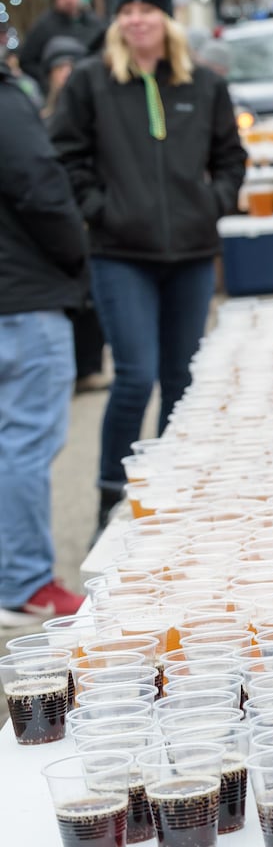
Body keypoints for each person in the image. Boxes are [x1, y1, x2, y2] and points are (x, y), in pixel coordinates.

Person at [48, 0, 245, 534]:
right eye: (127, 11)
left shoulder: (204, 85)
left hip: (189, 252)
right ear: (116, 20)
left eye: (147, 10)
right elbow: (67, 156)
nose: (137, 20)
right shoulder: (90, 82)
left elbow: (231, 156)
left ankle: (172, 496)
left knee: (182, 380)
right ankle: (112, 498)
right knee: (135, 375)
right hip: (120, 254)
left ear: (166, 18)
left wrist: (215, 201)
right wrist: (99, 209)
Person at [0, 55, 90, 623]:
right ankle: (26, 580)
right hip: (22, 295)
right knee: (26, 443)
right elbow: (40, 186)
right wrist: (77, 252)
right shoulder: (7, 103)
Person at [37, 35, 110, 395]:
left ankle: (89, 365)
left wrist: (95, 206)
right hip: (56, 216)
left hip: (87, 215)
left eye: (72, 66)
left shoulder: (98, 109)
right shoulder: (37, 115)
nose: (66, 74)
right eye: (59, 68)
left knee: (91, 297)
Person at [17, 0, 102, 92]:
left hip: (90, 87)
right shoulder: (44, 26)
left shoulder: (93, 22)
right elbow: (26, 61)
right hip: (58, 92)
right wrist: (48, 78)